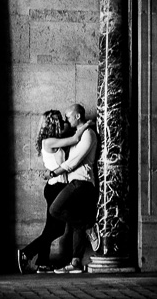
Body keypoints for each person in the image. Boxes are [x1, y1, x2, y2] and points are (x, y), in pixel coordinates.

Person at [17, 110, 80, 273]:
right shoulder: (49, 141)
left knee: (50, 228)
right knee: (58, 229)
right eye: (60, 119)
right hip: (55, 188)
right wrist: (86, 124)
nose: (64, 122)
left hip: (57, 186)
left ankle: (43, 262)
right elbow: (74, 138)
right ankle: (26, 253)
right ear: (54, 123)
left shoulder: (54, 140)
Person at [46, 103, 99, 274]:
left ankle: (88, 225)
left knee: (55, 209)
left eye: (68, 117)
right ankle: (76, 262)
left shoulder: (89, 135)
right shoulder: (79, 133)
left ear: (77, 116)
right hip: (74, 183)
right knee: (75, 224)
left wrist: (54, 173)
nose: (66, 120)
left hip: (82, 183)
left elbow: (73, 162)